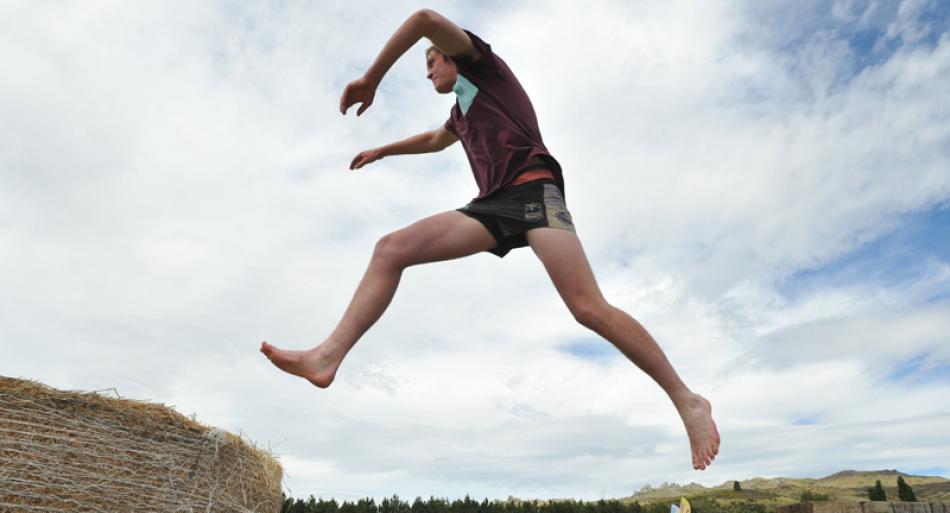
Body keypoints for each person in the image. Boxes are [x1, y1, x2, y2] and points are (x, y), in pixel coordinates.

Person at [260, 9, 720, 470]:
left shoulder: (483, 65)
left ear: (453, 55)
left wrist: (370, 79)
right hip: (494, 205)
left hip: (533, 189)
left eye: (432, 63)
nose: (429, 72)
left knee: (586, 307)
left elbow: (421, 18)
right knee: (391, 249)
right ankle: (327, 357)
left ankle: (687, 399)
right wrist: (384, 149)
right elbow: (436, 139)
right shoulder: (462, 109)